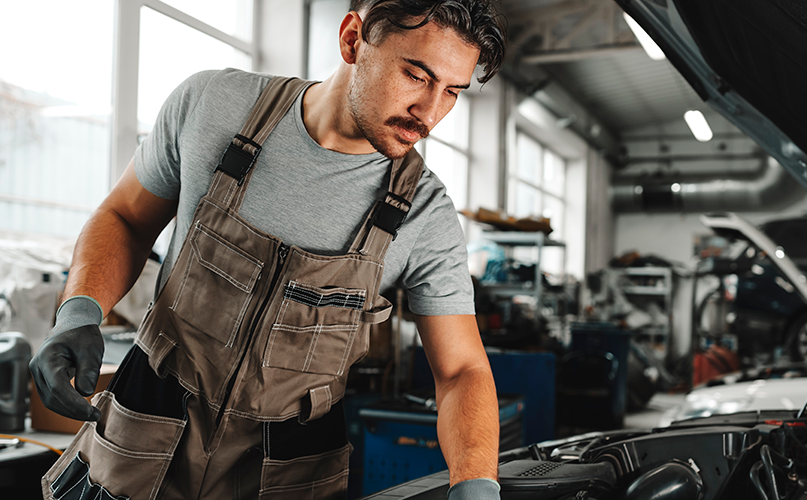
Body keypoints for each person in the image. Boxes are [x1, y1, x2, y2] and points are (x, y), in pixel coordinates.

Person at [29, 1, 506, 499]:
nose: (429, 113)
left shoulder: (424, 214)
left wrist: (475, 484)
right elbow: (125, 217)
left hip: (287, 475)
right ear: (352, 40)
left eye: (451, 91)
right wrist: (79, 311)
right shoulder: (213, 104)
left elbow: (461, 370)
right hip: (141, 444)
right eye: (415, 75)